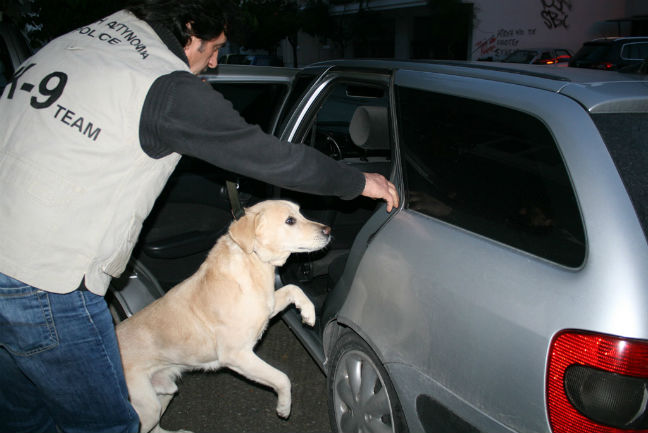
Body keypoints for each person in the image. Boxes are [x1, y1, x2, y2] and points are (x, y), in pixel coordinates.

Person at [0, 1, 399, 432]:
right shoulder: (162, 84)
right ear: (190, 26)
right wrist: (357, 182)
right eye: (215, 46)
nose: (214, 61)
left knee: (23, 414)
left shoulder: (72, 45)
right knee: (107, 424)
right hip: (40, 281)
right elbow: (266, 156)